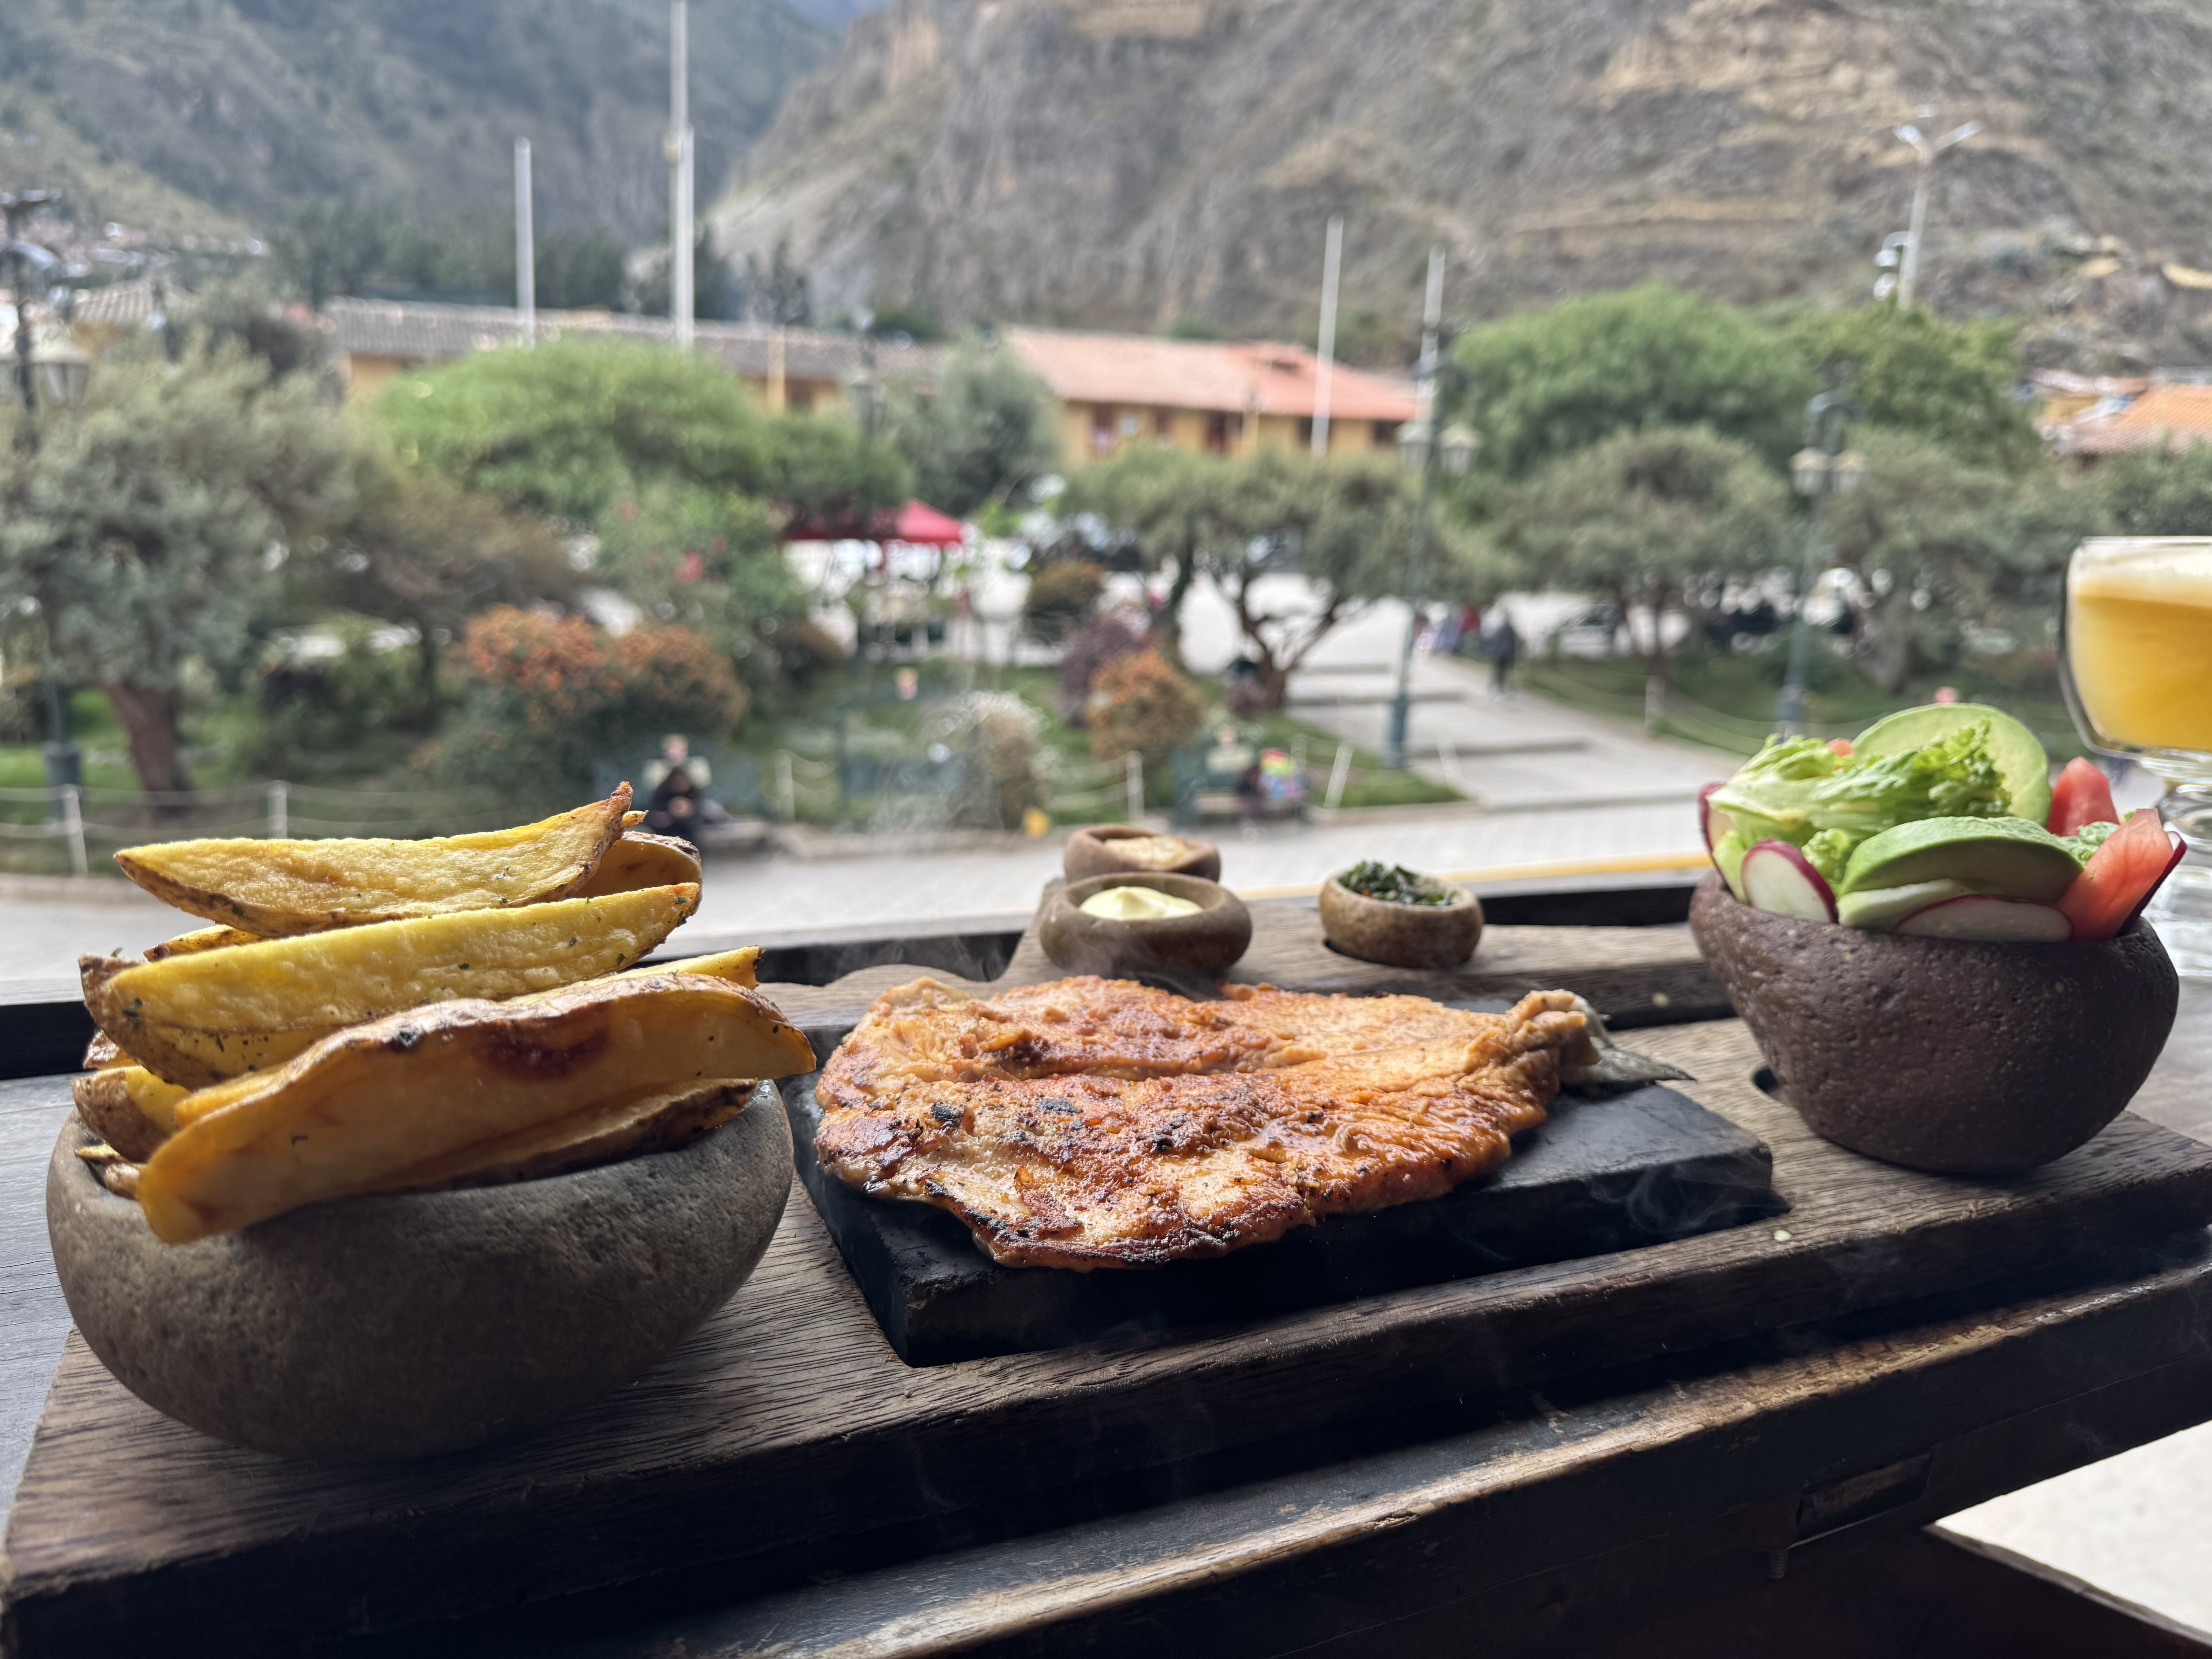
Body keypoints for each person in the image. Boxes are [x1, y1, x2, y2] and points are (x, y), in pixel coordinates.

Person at [1488, 613, 1520, 697]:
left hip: (1504, 656)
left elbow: (1513, 645)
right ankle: (1497, 687)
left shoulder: (1509, 630)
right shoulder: (1503, 630)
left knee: (1502, 672)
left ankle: (1501, 687)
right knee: (1499, 672)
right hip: (1501, 655)